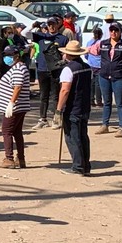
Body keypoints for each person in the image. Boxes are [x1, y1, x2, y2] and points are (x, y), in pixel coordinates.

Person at [55, 40, 92, 176]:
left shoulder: (68, 69)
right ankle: (86, 165)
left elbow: (65, 90)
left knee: (73, 137)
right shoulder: (87, 67)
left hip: (73, 107)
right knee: (83, 136)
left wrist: (59, 109)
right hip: (84, 106)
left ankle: (78, 166)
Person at [0, 46, 31, 169]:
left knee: (7, 131)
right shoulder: (20, 67)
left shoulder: (18, 69)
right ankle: (21, 158)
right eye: (5, 55)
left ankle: (9, 158)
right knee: (16, 132)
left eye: (9, 55)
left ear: (16, 55)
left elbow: (18, 86)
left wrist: (11, 103)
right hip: (20, 106)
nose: (7, 58)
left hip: (15, 107)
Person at [31, 17, 69, 130]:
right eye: (49, 24)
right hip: (42, 69)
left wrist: (63, 60)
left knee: (55, 95)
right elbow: (26, 33)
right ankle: (42, 119)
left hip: (55, 70)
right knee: (43, 95)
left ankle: (56, 119)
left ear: (58, 25)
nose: (51, 26)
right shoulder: (41, 37)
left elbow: (66, 52)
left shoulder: (63, 38)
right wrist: (35, 24)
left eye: (53, 24)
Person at [85, 27, 103, 106]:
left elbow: (86, 54)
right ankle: (99, 101)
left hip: (91, 64)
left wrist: (89, 59)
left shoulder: (89, 42)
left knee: (91, 83)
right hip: (99, 65)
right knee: (98, 84)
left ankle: (91, 100)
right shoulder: (101, 43)